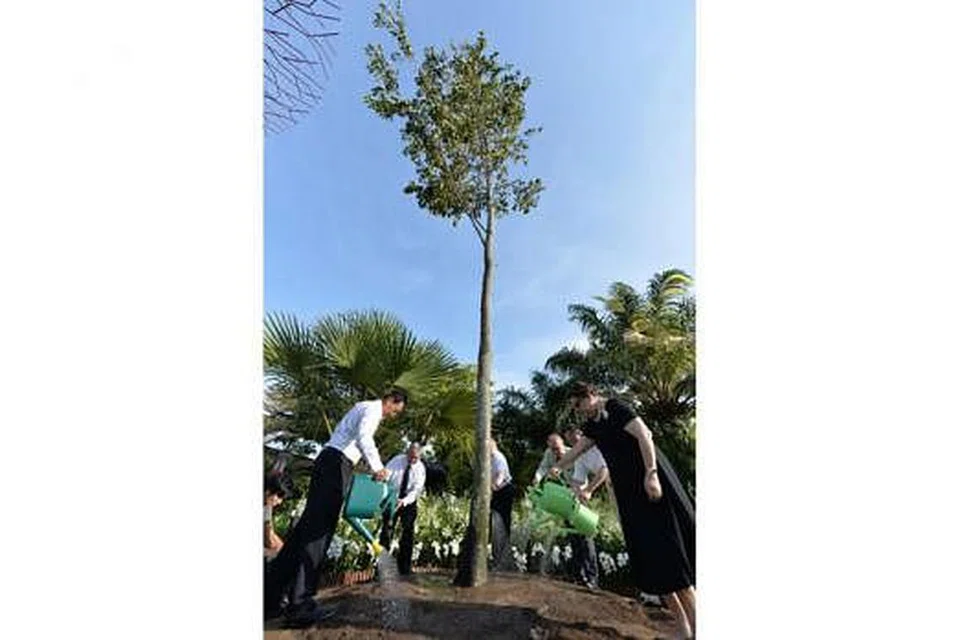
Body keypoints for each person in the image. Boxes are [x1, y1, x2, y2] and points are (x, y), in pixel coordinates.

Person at [551, 382, 696, 639]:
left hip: (650, 488)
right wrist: (557, 467)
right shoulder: (593, 425)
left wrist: (651, 474)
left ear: (591, 394)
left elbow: (645, 435)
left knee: (671, 557)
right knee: (651, 559)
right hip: (629, 495)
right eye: (574, 407)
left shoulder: (616, 408)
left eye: (579, 403)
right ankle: (683, 628)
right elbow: (578, 450)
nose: (578, 410)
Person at [264, 388, 408, 628]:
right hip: (335, 465)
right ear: (391, 400)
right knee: (319, 533)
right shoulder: (372, 410)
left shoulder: (361, 407)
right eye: (395, 410)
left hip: (328, 462)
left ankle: (270, 597)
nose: (392, 415)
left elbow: (355, 440)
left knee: (304, 531)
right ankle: (300, 605)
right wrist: (378, 467)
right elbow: (364, 437)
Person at [562, 425, 609, 591]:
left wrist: (588, 490)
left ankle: (592, 578)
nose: (572, 442)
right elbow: (578, 479)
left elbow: (604, 470)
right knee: (576, 535)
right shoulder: (579, 455)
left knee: (586, 535)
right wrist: (573, 493)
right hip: (580, 498)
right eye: (568, 439)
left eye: (573, 437)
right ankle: (580, 576)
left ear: (580, 434)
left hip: (622, 482)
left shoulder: (596, 447)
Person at [379, 442, 426, 576]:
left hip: (408, 501)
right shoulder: (397, 460)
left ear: (419, 457)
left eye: (415, 458)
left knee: (408, 532)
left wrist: (403, 501)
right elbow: (387, 474)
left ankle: (404, 567)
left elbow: (416, 491)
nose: (412, 460)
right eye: (410, 456)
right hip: (392, 497)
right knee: (387, 530)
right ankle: (383, 565)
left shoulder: (420, 469)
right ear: (407, 453)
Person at [489, 439, 515, 571]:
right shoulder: (490, 459)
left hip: (504, 492)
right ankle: (497, 558)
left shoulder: (498, 458)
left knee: (502, 524)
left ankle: (503, 561)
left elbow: (500, 477)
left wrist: (491, 488)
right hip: (497, 492)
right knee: (494, 525)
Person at [264, 474, 293, 559]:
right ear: (268, 490)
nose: (279, 502)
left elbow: (270, 533)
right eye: (279, 496)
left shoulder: (268, 506)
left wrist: (284, 549)